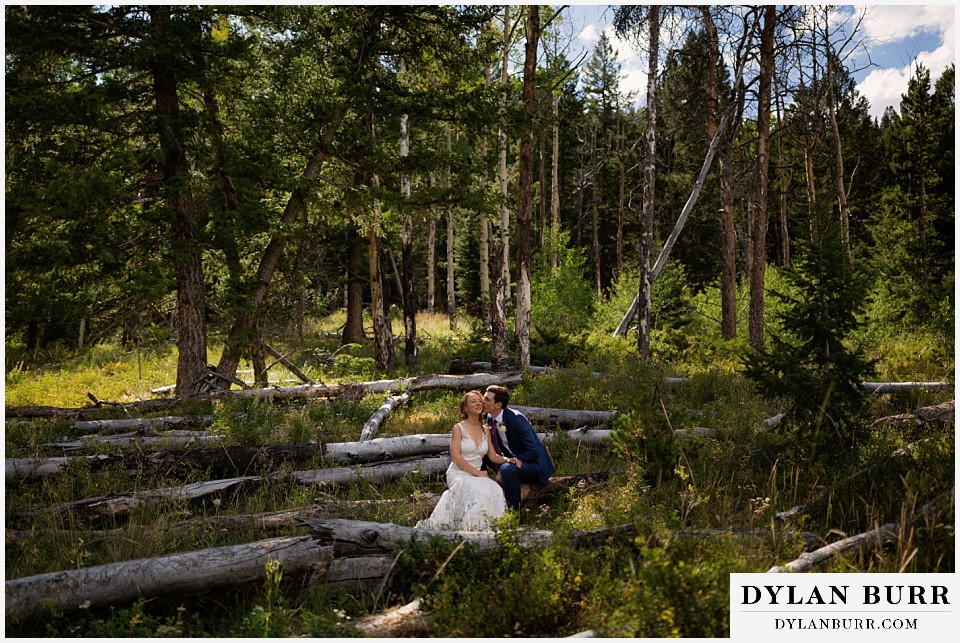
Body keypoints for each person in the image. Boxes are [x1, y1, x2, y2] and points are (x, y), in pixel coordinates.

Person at [415, 390, 516, 531]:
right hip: (459, 473)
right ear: (465, 408)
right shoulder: (458, 428)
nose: (478, 403)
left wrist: (508, 460)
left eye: (480, 401)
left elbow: (493, 456)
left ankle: (489, 528)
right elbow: (455, 457)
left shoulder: (485, 429)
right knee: (474, 490)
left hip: (477, 474)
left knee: (495, 489)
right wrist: (478, 473)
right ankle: (467, 529)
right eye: (473, 401)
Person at [482, 384, 555, 512]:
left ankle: (514, 512)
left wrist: (508, 463)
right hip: (511, 460)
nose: (483, 401)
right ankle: (486, 493)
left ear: (498, 405)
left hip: (534, 465)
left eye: (487, 399)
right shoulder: (490, 417)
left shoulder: (516, 419)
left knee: (507, 470)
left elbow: (533, 452)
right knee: (481, 453)